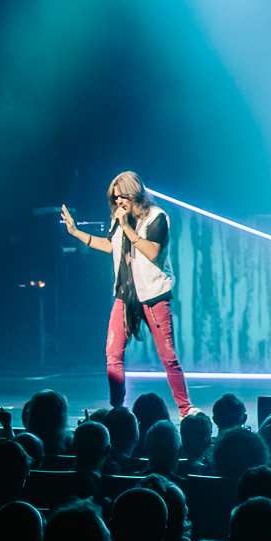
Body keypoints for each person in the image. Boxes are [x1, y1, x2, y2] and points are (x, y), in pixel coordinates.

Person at [61, 172, 197, 418]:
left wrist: (126, 227)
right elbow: (109, 246)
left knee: (168, 357)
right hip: (124, 296)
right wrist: (75, 232)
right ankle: (118, 410)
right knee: (113, 354)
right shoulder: (118, 218)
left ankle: (185, 409)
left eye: (121, 197)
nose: (118, 202)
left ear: (134, 193)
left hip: (153, 295)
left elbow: (153, 252)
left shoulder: (156, 217)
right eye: (115, 198)